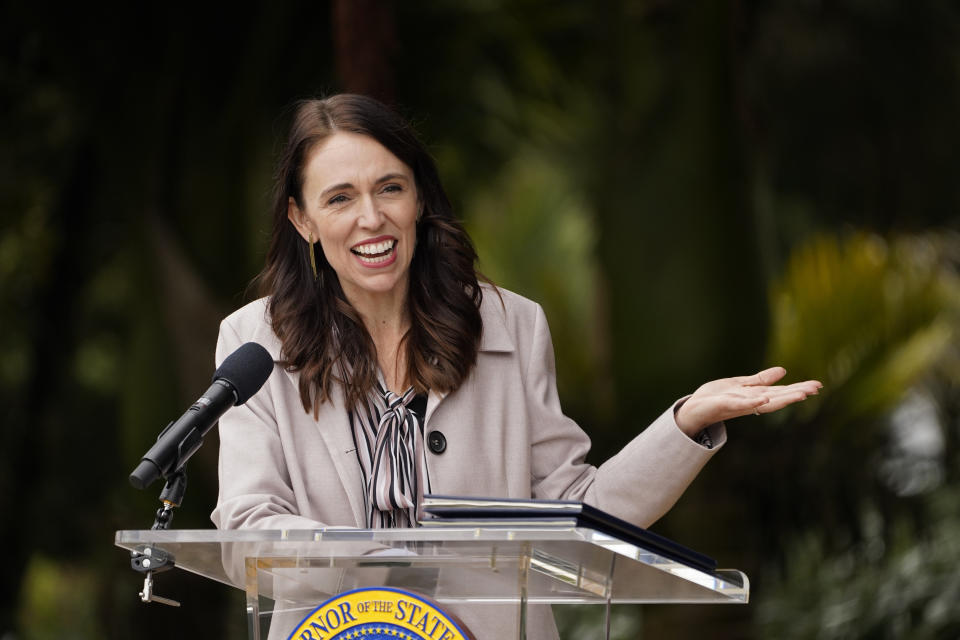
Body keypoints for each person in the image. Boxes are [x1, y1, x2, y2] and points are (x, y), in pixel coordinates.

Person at [211, 94, 822, 639]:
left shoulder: (511, 326)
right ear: (302, 220)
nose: (371, 218)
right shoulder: (255, 342)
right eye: (340, 198)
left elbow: (577, 510)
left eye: (390, 188)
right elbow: (248, 523)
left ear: (419, 197)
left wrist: (686, 422)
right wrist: (361, 558)